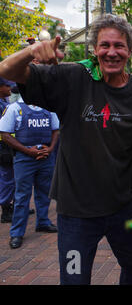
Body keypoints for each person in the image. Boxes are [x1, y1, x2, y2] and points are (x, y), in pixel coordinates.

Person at [0, 14, 132, 284]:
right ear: (94, 49)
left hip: (123, 208)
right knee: (75, 278)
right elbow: (6, 70)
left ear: (129, 51)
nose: (111, 52)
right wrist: (31, 51)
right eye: (105, 45)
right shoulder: (71, 77)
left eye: (119, 46)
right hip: (75, 213)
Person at [0, 95, 60, 249]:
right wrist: (27, 151)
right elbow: (5, 134)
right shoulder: (15, 108)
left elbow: (56, 130)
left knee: (45, 192)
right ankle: (17, 233)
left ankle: (43, 222)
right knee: (22, 196)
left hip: (45, 156)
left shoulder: (48, 108)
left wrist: (51, 148)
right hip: (24, 159)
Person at [0, 77, 15, 223]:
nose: (10, 88)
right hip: (3, 147)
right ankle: (5, 209)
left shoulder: (5, 102)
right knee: (6, 178)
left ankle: (14, 205)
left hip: (9, 145)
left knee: (11, 177)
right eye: (7, 86)